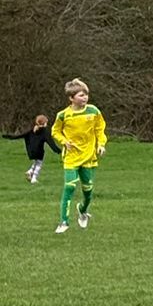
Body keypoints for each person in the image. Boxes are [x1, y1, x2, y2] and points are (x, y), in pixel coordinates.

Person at [52, 78, 106, 234]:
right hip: (71, 157)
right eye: (81, 95)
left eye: (86, 95)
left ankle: (82, 210)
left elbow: (100, 129)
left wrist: (101, 144)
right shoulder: (63, 115)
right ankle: (63, 222)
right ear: (71, 98)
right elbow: (55, 131)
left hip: (88, 157)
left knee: (88, 191)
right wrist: (64, 141)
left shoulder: (94, 111)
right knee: (69, 186)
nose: (85, 98)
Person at [12, 114, 57, 184]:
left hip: (31, 151)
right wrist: (57, 150)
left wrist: (9, 137)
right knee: (39, 164)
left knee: (36, 162)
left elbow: (20, 136)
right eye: (46, 122)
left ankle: (30, 171)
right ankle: (34, 178)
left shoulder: (32, 130)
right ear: (44, 123)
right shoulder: (44, 131)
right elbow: (50, 142)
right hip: (39, 152)